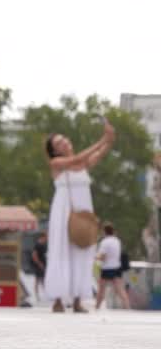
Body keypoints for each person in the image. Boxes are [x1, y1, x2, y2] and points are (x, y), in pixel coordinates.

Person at [45, 120, 115, 313]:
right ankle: (58, 299)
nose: (64, 143)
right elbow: (77, 159)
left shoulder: (83, 164)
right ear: (55, 151)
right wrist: (101, 140)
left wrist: (109, 139)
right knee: (61, 251)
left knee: (82, 250)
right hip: (64, 210)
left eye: (63, 139)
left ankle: (77, 299)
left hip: (83, 211)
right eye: (58, 144)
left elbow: (97, 155)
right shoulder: (57, 163)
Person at [95, 222, 131, 311]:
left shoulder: (105, 242)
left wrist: (94, 257)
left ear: (104, 232)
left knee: (101, 290)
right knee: (120, 289)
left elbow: (103, 256)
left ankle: (97, 307)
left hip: (106, 268)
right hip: (117, 267)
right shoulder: (117, 241)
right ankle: (127, 306)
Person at [30, 233, 48, 300]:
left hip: (42, 264)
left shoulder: (43, 245)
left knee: (43, 279)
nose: (46, 239)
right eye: (46, 237)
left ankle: (44, 294)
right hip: (39, 265)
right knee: (38, 280)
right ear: (42, 237)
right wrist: (39, 264)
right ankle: (37, 295)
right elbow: (34, 255)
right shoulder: (38, 245)